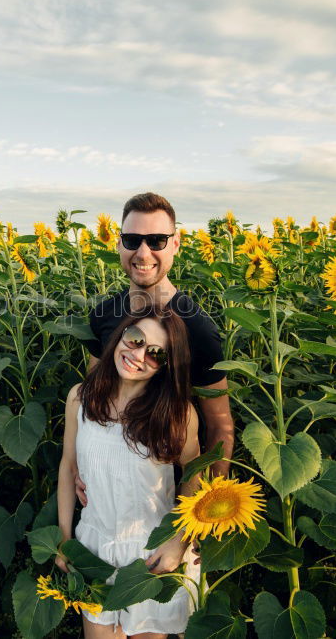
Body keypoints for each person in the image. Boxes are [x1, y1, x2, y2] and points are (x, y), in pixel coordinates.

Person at [78, 193, 233, 516]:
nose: (143, 252)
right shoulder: (104, 314)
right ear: (119, 245)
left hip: (169, 502)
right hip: (104, 495)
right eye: (133, 240)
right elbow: (92, 394)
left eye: (157, 240)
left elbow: (219, 425)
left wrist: (210, 511)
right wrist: (80, 463)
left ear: (175, 244)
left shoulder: (197, 328)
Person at [57, 307, 202, 638]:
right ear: (120, 335)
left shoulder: (177, 414)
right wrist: (64, 537)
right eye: (135, 339)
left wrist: (178, 541)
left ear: (166, 367)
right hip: (94, 546)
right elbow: (68, 466)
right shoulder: (80, 399)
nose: (138, 355)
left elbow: (193, 477)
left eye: (155, 354)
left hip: (151, 554)